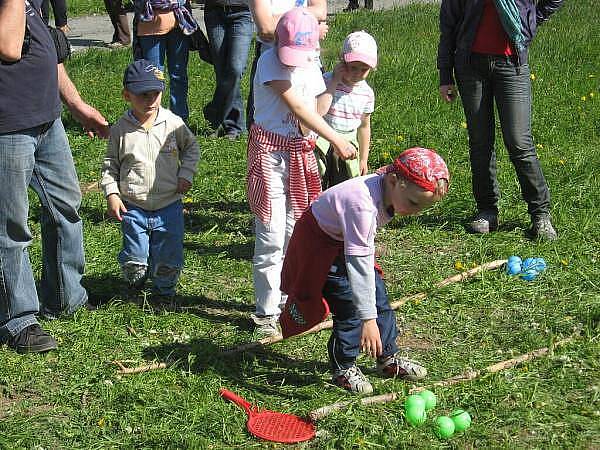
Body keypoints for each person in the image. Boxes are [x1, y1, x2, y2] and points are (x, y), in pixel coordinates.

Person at [279, 147, 450, 393]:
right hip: (321, 246)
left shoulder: (388, 185)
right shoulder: (362, 206)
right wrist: (367, 319)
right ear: (394, 181)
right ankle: (343, 368)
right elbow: (358, 265)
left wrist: (371, 312)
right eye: (413, 203)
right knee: (349, 307)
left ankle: (387, 358)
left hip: (345, 240)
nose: (414, 212)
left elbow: (362, 260)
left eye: (422, 208)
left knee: (379, 298)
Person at [0, 0, 109, 353]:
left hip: (48, 119)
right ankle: (19, 320)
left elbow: (46, 51)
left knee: (66, 209)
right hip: (8, 127)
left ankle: (66, 297)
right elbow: (9, 47)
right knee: (11, 228)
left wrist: (76, 104)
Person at [247, 8, 356, 337]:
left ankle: (290, 299)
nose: (293, 60)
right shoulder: (269, 61)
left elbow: (315, 110)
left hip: (299, 156)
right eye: (289, 52)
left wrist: (332, 82)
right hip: (270, 155)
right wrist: (335, 138)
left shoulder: (309, 64)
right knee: (270, 232)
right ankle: (266, 313)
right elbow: (295, 106)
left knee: (297, 231)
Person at [437, 0, 563, 240]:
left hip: (512, 64)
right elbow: (448, 23)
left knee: (519, 142)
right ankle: (487, 211)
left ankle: (540, 215)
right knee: (480, 143)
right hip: (470, 66)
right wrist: (445, 74)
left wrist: (531, 21)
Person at [100, 59, 200, 298]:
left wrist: (186, 173)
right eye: (143, 95)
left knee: (168, 255)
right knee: (135, 259)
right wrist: (112, 194)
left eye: (155, 93)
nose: (150, 100)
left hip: (169, 204)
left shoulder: (173, 124)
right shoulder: (120, 130)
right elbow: (109, 165)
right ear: (127, 95)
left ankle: (164, 293)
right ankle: (135, 280)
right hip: (134, 206)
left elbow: (192, 149)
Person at [246, 0, 327, 129]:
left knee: (312, 119)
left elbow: (321, 11)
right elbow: (266, 28)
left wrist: (282, 22)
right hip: (274, 56)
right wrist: (309, 25)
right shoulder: (268, 62)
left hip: (308, 58)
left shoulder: (313, 70)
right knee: (268, 120)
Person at [316, 30, 377, 190]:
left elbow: (364, 126)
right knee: (317, 177)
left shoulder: (367, 93)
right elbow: (317, 111)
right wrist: (335, 82)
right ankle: (314, 207)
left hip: (347, 141)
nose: (357, 73)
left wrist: (363, 158)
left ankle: (335, 208)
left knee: (343, 183)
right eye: (353, 67)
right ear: (342, 61)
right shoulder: (327, 80)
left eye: (364, 69)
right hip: (323, 138)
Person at [133, 0, 199, 122]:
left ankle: (180, 121)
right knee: (152, 78)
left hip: (179, 22)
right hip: (150, 23)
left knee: (179, 76)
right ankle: (153, 120)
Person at [203, 0, 254, 139]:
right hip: (214, 10)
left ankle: (214, 112)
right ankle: (234, 126)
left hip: (243, 11)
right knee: (222, 71)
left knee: (235, 69)